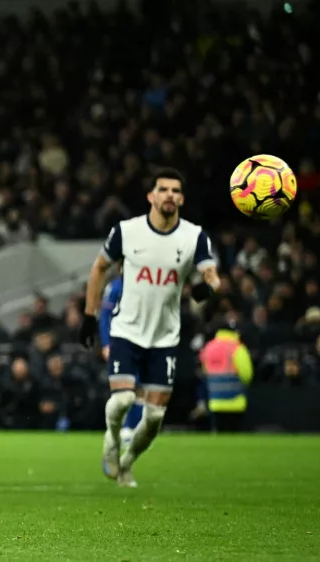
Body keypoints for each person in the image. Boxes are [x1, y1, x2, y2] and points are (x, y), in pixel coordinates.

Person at [80, 168, 220, 487]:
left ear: (181, 199)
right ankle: (112, 442)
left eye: (175, 190)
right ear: (151, 196)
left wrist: (210, 284)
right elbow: (100, 267)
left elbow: (206, 272)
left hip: (164, 337)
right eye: (163, 189)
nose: (169, 195)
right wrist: (89, 316)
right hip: (126, 330)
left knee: (155, 417)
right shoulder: (126, 232)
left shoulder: (193, 236)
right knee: (123, 400)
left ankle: (127, 462)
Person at [99, 271, 144, 447]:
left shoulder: (145, 288)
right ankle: (123, 429)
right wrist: (106, 343)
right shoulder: (115, 288)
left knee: (141, 387)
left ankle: (137, 428)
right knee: (125, 387)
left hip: (141, 342)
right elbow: (104, 317)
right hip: (120, 343)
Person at [199, 321, 253, 432]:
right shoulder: (237, 348)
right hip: (236, 402)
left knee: (219, 436)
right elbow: (247, 374)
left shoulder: (208, 347)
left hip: (215, 402)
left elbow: (205, 371)